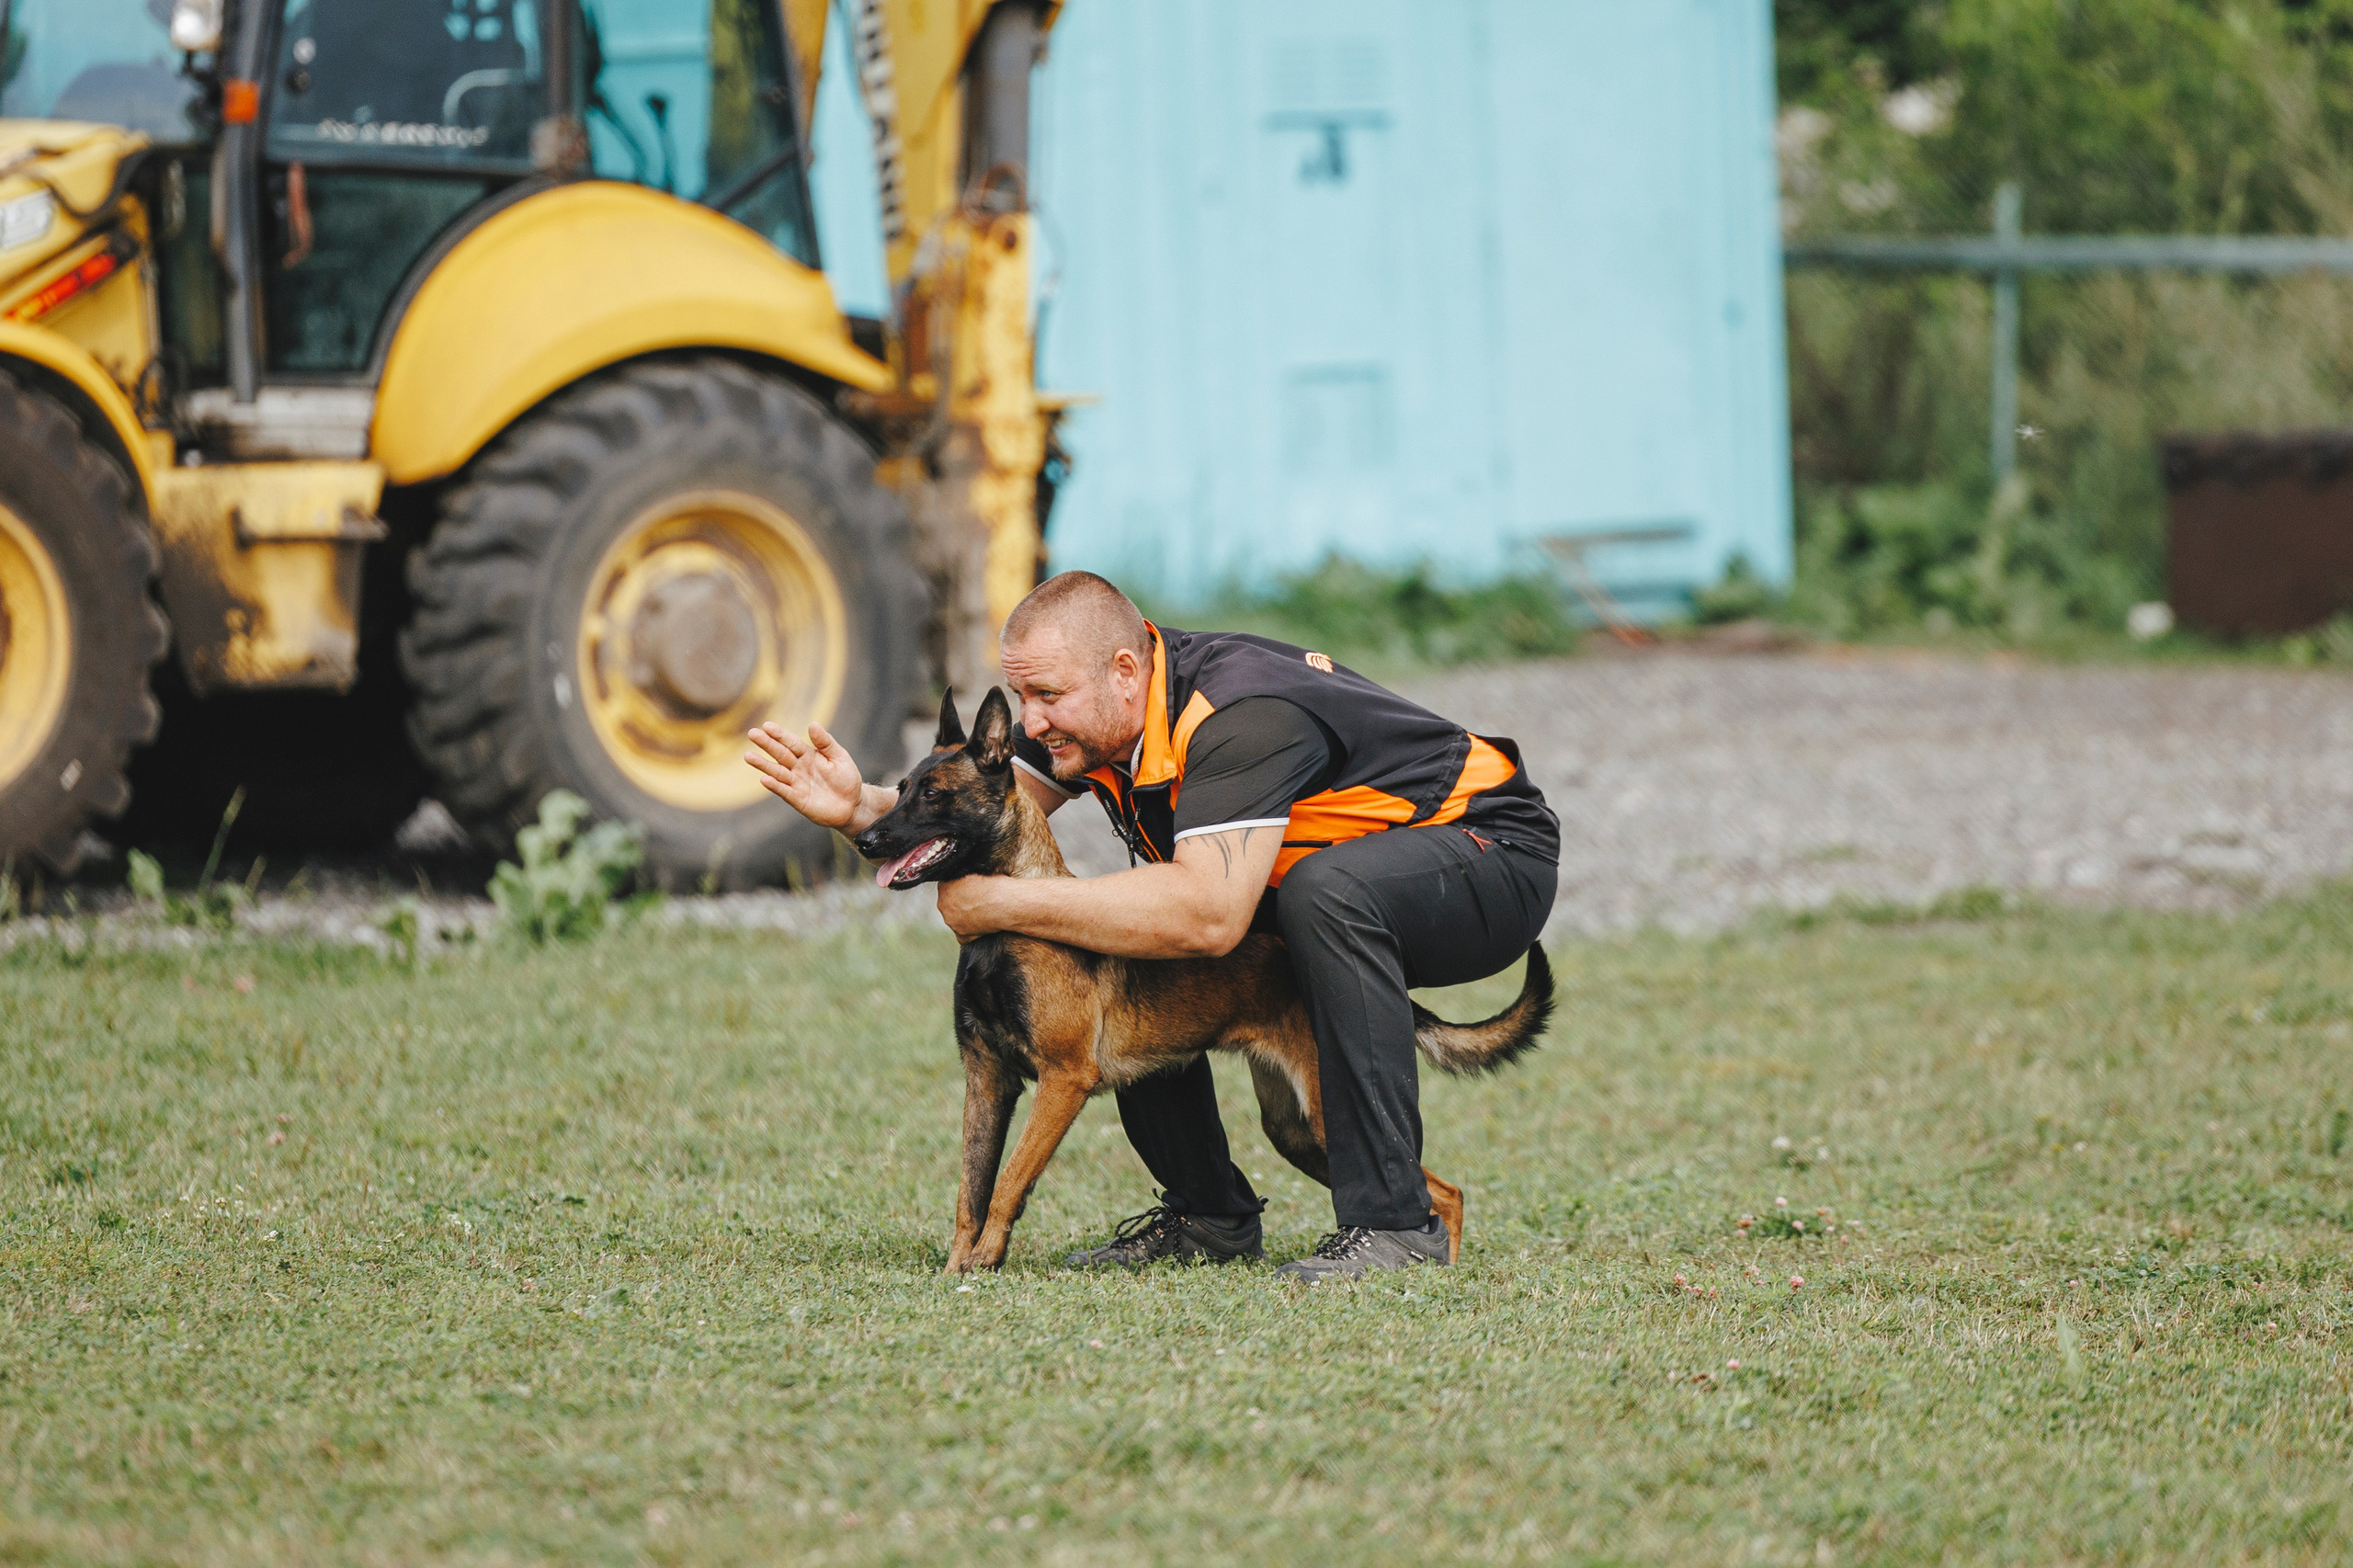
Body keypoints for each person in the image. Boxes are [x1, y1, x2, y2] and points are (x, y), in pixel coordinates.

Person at [744, 572, 1559, 1282]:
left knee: (1310, 893)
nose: (1031, 720)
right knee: (1139, 931)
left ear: (1125, 672)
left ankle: (1396, 1228)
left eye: (1046, 697)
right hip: (1332, 883)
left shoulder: (1240, 716)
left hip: (1488, 852)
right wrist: (862, 810)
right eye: (1021, 697)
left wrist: (1004, 906)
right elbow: (980, 807)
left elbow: (1208, 915)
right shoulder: (1091, 719)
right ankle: (1210, 1218)